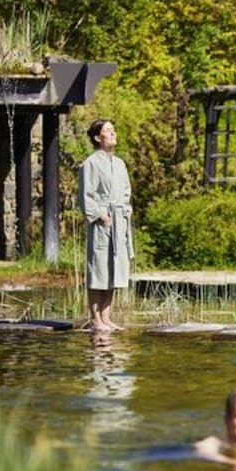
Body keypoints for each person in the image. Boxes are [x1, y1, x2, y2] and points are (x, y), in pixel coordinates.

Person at [78, 119, 134, 332]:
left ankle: (106, 317)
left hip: (119, 221)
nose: (113, 133)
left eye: (113, 129)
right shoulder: (90, 164)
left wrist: (127, 208)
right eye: (107, 130)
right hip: (102, 222)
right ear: (97, 137)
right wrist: (100, 215)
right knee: (99, 268)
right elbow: (86, 195)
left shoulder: (119, 163)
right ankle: (95, 319)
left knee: (115, 269)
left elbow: (126, 191)